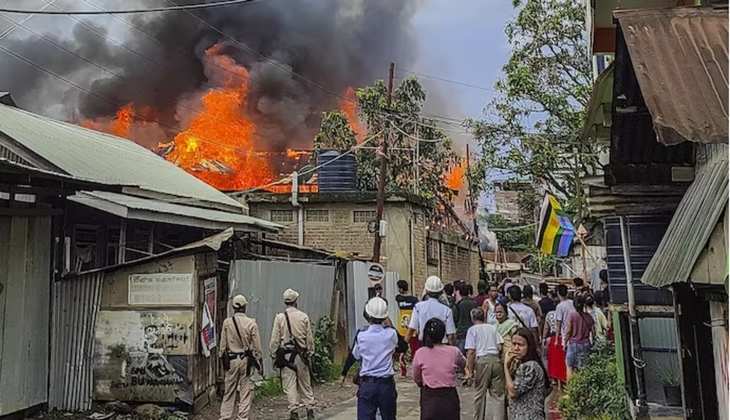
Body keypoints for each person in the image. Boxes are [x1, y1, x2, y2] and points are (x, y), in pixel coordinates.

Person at [270, 289, 315, 420]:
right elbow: (309, 339)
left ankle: (294, 411)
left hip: (286, 356)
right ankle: (310, 409)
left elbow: (275, 340)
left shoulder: (280, 318)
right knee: (305, 384)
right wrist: (310, 353)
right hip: (301, 355)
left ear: (285, 302)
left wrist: (273, 354)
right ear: (296, 301)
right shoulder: (303, 316)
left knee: (289, 385)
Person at [352, 297, 399, 420]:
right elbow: (396, 347)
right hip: (386, 384)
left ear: (368, 314)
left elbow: (356, 355)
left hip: (368, 384)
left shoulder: (361, 335)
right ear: (385, 316)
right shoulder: (391, 334)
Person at [219, 294, 263, 420]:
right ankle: (242, 417)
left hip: (231, 360)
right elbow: (257, 347)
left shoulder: (227, 323)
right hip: (246, 361)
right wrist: (259, 361)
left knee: (229, 390)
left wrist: (222, 359)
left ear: (233, 307)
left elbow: (222, 346)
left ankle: (225, 416)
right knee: (245, 390)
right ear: (245, 307)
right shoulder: (251, 323)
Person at [412, 318, 465, 420]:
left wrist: (421, 383)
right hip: (449, 397)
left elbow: (416, 377)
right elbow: (463, 364)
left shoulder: (420, 353)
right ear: (443, 334)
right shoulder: (454, 351)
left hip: (429, 397)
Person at [464, 308, 504, 420]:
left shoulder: (472, 330)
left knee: (480, 394)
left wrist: (470, 371)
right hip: (496, 360)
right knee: (498, 396)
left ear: (472, 318)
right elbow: (500, 346)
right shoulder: (492, 328)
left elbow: (471, 352)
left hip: (482, 360)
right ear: (484, 317)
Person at [504, 328, 550, 420]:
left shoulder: (530, 367)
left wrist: (505, 366)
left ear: (529, 346)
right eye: (514, 344)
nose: (516, 348)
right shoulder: (520, 364)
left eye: (520, 345)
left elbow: (513, 393)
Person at [406, 276, 457, 346]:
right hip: (442, 345)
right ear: (441, 292)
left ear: (426, 291)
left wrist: (404, 346)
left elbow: (411, 329)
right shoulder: (447, 310)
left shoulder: (418, 307)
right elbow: (450, 336)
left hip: (424, 344)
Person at [565, 295, 594, 378]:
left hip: (573, 344)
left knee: (570, 367)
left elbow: (568, 331)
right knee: (584, 369)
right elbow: (593, 331)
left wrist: (565, 342)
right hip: (586, 344)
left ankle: (571, 385)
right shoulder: (588, 316)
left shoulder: (572, 315)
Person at [395, 279, 419, 376]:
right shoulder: (414, 300)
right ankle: (416, 370)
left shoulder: (398, 298)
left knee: (402, 350)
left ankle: (403, 371)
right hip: (412, 327)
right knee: (414, 350)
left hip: (402, 327)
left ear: (401, 289)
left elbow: (399, 297)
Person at [453, 283, 477, 353]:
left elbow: (455, 318)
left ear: (460, 293)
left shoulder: (458, 305)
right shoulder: (474, 303)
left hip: (461, 333)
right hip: (473, 331)